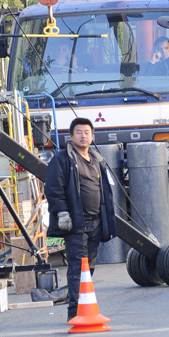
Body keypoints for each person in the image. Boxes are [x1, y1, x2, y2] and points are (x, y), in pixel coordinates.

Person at [45, 117, 117, 321]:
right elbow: (53, 188)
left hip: (96, 222)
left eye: (87, 132)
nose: (83, 135)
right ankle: (74, 312)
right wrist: (62, 213)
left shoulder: (97, 160)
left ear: (92, 136)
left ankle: (84, 306)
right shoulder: (63, 159)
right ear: (71, 136)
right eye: (79, 132)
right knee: (78, 266)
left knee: (89, 266)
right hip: (76, 223)